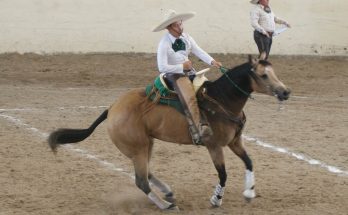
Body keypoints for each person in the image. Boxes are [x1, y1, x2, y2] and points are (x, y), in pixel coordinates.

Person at [152, 9, 222, 144]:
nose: (180, 27)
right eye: (177, 25)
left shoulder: (187, 37)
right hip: (173, 76)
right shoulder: (164, 43)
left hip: (190, 72)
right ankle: (197, 132)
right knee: (190, 98)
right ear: (169, 27)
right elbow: (162, 67)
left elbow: (198, 51)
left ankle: (211, 121)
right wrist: (181, 67)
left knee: (208, 91)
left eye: (181, 24)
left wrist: (212, 61)